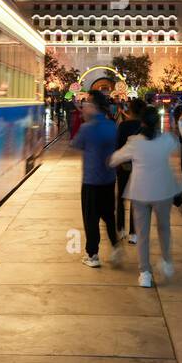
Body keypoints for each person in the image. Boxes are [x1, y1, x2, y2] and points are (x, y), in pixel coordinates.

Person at [109, 105, 181, 288]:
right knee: (164, 228)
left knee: (142, 234)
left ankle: (145, 273)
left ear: (142, 122)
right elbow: (177, 147)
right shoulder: (167, 139)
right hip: (163, 191)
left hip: (140, 191)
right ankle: (166, 262)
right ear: (157, 122)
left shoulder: (134, 141)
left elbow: (115, 158)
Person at [71, 90, 121, 268]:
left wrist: (81, 121)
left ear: (93, 107)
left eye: (87, 104)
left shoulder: (87, 128)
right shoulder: (111, 125)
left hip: (91, 180)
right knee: (108, 215)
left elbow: (74, 144)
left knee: (91, 219)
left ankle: (93, 255)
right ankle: (115, 247)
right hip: (109, 178)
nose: (84, 107)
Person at [115, 98, 145, 244]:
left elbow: (118, 146)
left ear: (130, 110)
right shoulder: (146, 127)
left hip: (124, 166)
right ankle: (134, 233)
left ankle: (120, 229)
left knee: (121, 198)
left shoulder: (123, 126)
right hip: (140, 167)